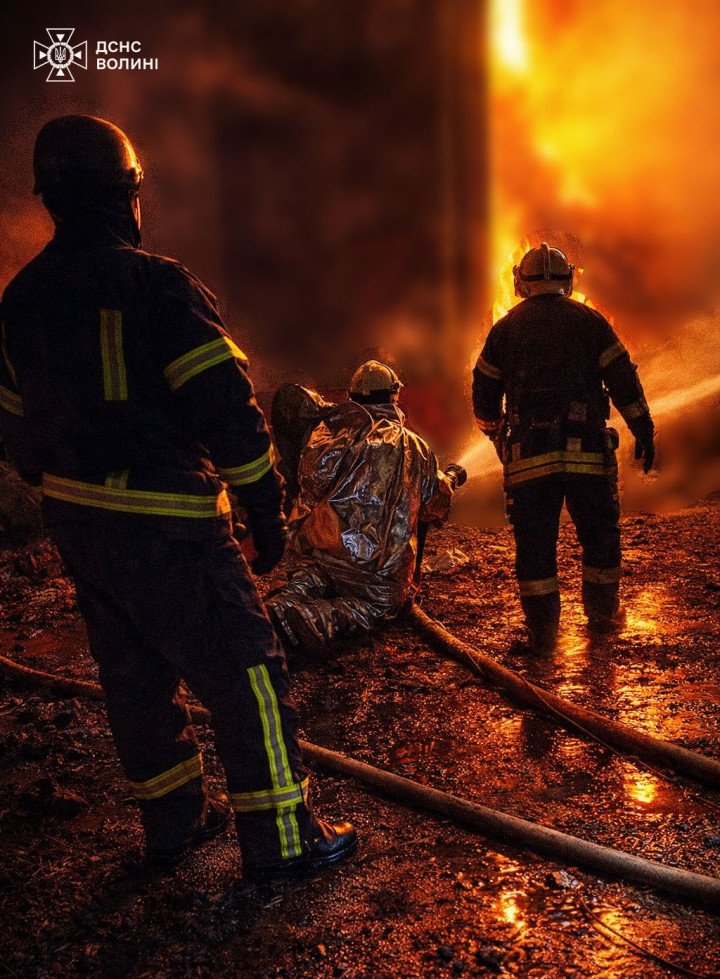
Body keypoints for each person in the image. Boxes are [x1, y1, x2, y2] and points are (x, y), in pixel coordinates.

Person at [0, 115, 356, 880]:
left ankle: (175, 823)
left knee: (133, 678)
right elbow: (227, 411)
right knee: (247, 670)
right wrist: (265, 509)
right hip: (174, 526)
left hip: (80, 527)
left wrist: (60, 478)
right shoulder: (158, 285)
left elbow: (12, 424)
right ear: (125, 194)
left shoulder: (20, 298)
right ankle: (284, 841)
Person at [472, 242, 655, 651]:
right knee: (600, 537)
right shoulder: (590, 322)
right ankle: (604, 617)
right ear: (568, 279)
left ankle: (543, 633)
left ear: (520, 281)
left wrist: (498, 435)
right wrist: (644, 428)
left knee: (535, 546)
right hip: (588, 454)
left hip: (529, 461)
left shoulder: (505, 330)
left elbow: (483, 396)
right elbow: (623, 379)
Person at [267, 361, 462, 651]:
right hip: (375, 574)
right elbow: (434, 504)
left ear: (352, 396)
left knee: (313, 577)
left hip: (323, 555)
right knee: (375, 604)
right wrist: (449, 479)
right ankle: (317, 618)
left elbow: (307, 486)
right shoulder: (414, 446)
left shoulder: (327, 437)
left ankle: (282, 604)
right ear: (394, 396)